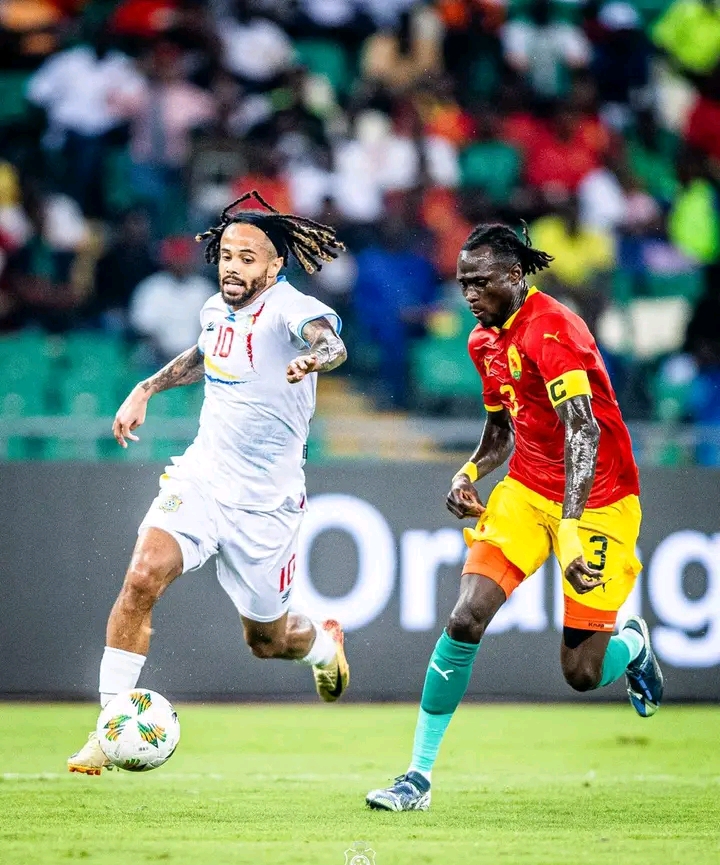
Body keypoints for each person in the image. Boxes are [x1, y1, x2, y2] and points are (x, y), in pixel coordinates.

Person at [366, 222, 663, 811]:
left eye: (480, 282)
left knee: (581, 673)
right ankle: (417, 778)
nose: (470, 295)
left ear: (515, 274)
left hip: (599, 502)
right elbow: (502, 430)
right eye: (463, 284)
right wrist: (467, 473)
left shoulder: (553, 329)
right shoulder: (482, 341)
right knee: (465, 617)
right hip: (526, 492)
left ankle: (631, 645)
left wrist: (571, 529)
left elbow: (584, 431)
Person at [68, 191, 350, 775]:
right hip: (202, 478)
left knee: (267, 642)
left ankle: (323, 647)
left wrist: (313, 359)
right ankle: (107, 726)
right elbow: (204, 355)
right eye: (226, 255)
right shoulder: (214, 310)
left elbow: (331, 341)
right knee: (142, 575)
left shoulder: (290, 308)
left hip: (266, 505)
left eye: (248, 258)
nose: (232, 267)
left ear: (275, 265)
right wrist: (145, 388)